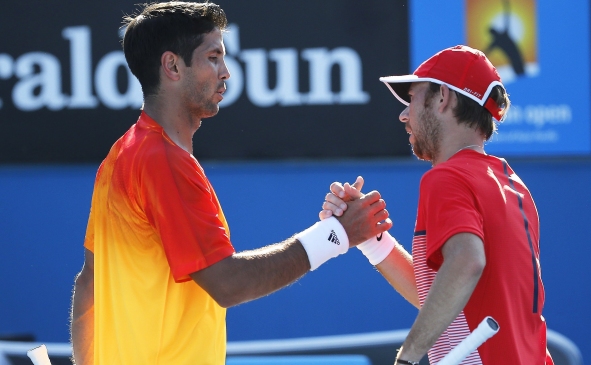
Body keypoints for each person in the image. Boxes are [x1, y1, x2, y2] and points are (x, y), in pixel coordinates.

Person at [69, 2, 391, 364]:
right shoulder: (162, 162)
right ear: (172, 65)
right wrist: (335, 236)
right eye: (213, 57)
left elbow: (89, 283)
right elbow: (229, 284)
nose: (225, 72)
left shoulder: (121, 155)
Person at [322, 45, 554, 365]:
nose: (404, 114)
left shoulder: (446, 177)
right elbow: (448, 301)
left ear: (443, 97)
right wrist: (373, 241)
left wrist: (408, 356)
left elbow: (466, 262)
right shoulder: (512, 184)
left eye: (413, 98)